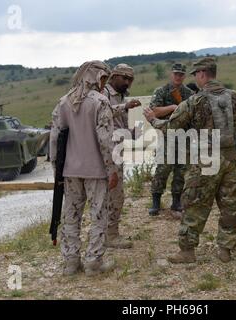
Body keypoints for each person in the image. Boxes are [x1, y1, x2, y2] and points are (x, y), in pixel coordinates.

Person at [144, 57, 236, 263]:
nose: (196, 78)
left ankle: (187, 251)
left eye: (196, 74)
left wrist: (153, 120)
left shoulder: (195, 101)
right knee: (230, 205)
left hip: (205, 160)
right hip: (232, 160)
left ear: (202, 74)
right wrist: (235, 143)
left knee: (194, 204)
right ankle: (225, 250)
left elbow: (171, 128)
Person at [50, 61, 118, 276]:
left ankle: (70, 262)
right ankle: (93, 263)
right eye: (103, 78)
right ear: (96, 77)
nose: (104, 83)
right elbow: (106, 140)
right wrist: (112, 169)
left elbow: (54, 139)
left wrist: (56, 169)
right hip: (96, 171)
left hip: (70, 171)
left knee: (70, 216)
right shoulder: (100, 102)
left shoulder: (63, 102)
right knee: (98, 216)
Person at [103, 64, 142, 249]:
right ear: (114, 76)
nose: (127, 82)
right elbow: (103, 115)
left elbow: (117, 124)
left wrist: (132, 132)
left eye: (130, 79)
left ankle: (107, 232)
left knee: (114, 194)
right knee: (114, 193)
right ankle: (110, 235)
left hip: (117, 150)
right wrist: (124, 106)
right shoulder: (103, 94)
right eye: (124, 78)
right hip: (105, 151)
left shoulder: (121, 96)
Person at [148, 63, 194, 216]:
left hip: (184, 136)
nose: (178, 77)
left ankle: (176, 201)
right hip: (167, 136)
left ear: (184, 76)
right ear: (171, 74)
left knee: (181, 171)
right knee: (162, 169)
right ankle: (156, 201)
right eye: (176, 74)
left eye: (181, 74)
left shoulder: (189, 93)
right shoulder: (161, 91)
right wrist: (173, 107)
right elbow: (153, 111)